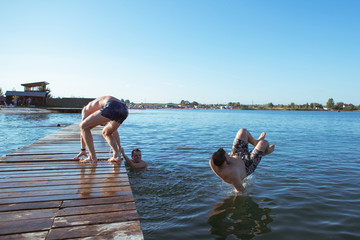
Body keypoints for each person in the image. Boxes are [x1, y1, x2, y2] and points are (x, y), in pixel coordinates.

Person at [209, 128, 275, 192]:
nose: (228, 155)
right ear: (225, 163)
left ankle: (255, 142)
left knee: (242, 131)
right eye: (227, 156)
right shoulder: (232, 175)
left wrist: (230, 156)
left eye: (227, 154)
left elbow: (220, 160)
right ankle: (265, 152)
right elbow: (240, 190)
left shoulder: (212, 160)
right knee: (263, 143)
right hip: (248, 164)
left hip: (237, 154)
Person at [73, 96, 128, 163]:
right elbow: (114, 131)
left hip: (112, 105)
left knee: (83, 126)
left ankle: (92, 157)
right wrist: (119, 147)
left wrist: (83, 149)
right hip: (124, 109)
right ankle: (117, 155)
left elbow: (83, 130)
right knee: (106, 132)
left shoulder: (85, 109)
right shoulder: (99, 105)